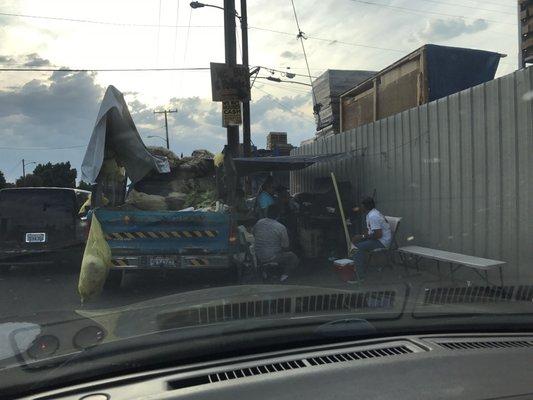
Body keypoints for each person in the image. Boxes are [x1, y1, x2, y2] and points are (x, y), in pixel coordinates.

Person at [253, 204, 299, 282]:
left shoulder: (259, 222)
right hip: (272, 256)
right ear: (279, 214)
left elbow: (254, 233)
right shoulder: (280, 227)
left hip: (258, 254)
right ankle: (285, 276)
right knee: (293, 257)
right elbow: (285, 247)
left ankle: (267, 272)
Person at [350, 197, 392, 280]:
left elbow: (378, 235)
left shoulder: (373, 216)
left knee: (357, 248)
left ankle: (359, 276)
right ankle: (356, 267)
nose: (360, 208)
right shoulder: (371, 214)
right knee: (354, 243)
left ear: (366, 206)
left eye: (362, 206)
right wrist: (361, 237)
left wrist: (362, 237)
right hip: (377, 239)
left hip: (382, 241)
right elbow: (370, 231)